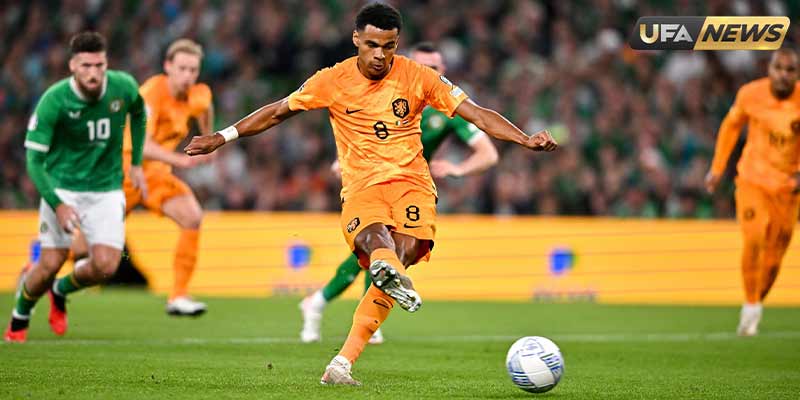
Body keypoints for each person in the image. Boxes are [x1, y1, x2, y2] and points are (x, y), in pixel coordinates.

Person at [184, 3, 556, 385]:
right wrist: (221, 137)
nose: (380, 54)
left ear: (397, 43)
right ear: (356, 39)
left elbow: (476, 113)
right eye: (372, 45)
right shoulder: (332, 80)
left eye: (389, 46)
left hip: (412, 184)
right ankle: (359, 323)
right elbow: (278, 111)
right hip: (362, 186)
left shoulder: (420, 77)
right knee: (378, 244)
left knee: (402, 256)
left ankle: (342, 360)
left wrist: (524, 138)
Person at [299, 41, 499, 344]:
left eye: (434, 68)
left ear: (443, 71)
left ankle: (321, 303)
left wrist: (459, 169)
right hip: (371, 182)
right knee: (379, 250)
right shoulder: (386, 93)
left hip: (409, 189)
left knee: (380, 253)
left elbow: (488, 154)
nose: (428, 72)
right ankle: (342, 310)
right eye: (422, 66)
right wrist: (343, 160)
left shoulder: (447, 110)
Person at [4, 31, 146, 343]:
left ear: (106, 63)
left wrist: (136, 163)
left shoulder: (123, 86)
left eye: (99, 65)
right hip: (63, 188)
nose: (93, 73)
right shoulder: (54, 100)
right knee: (50, 264)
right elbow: (34, 161)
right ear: (72, 66)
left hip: (106, 189)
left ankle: (61, 289)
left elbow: (138, 113)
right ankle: (21, 314)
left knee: (106, 266)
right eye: (86, 66)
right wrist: (58, 204)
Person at [706, 48, 800, 337]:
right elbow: (731, 126)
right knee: (754, 236)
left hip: (788, 188)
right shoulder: (750, 94)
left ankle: (756, 302)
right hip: (752, 180)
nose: (783, 75)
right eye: (778, 68)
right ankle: (750, 304)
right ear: (769, 69)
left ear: (796, 74)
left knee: (774, 260)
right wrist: (717, 168)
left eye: (790, 70)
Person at [121, 38, 214, 316]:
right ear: (167, 66)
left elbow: (205, 108)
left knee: (192, 217)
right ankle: (37, 271)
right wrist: (182, 160)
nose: (188, 76)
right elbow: (142, 145)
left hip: (156, 175)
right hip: (122, 172)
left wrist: (209, 139)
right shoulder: (151, 94)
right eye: (182, 68)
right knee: (89, 248)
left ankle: (178, 296)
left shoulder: (197, 93)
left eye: (193, 70)